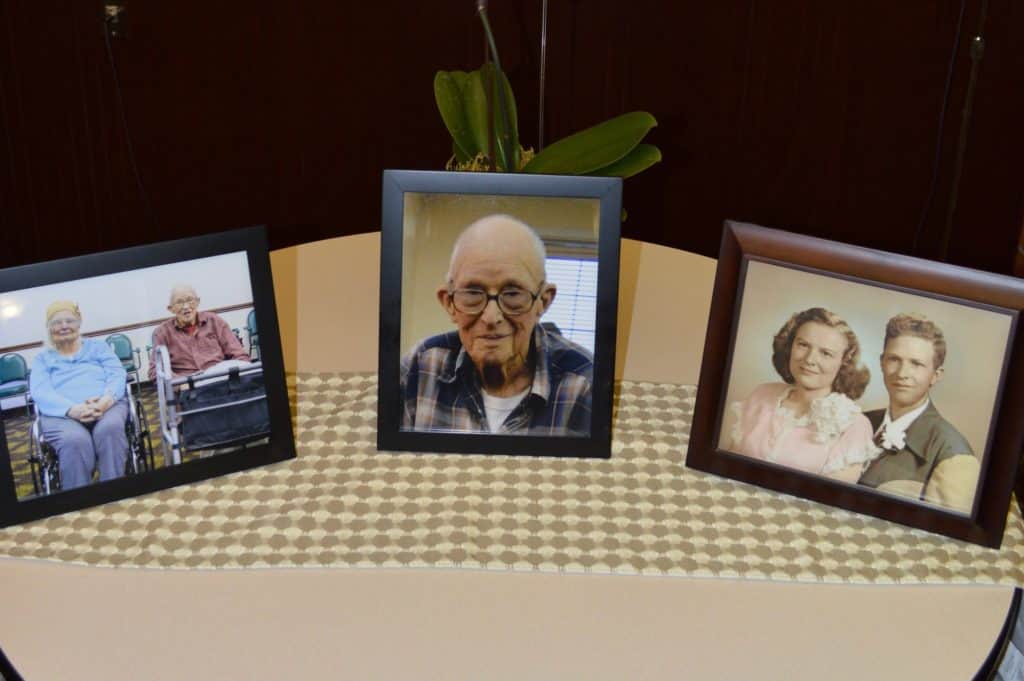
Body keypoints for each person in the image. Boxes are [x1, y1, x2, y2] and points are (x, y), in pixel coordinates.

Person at [400, 214, 592, 435]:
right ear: (449, 302)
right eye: (473, 292)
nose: (491, 317)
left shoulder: (585, 384)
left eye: (512, 294)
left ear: (543, 301)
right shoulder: (421, 366)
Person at [728, 307, 878, 479]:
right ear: (789, 346)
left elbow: (831, 499)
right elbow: (729, 465)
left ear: (843, 363)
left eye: (826, 353)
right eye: (803, 345)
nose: (809, 359)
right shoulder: (761, 395)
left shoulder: (854, 425)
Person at [857, 313, 979, 513]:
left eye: (916, 364)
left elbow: (942, 534)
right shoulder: (860, 421)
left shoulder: (953, 454)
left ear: (936, 375)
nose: (902, 373)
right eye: (894, 359)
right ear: (882, 362)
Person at [29, 301, 129, 490]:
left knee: (110, 429)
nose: (64, 326)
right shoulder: (42, 358)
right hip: (61, 415)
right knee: (74, 440)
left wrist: (105, 401)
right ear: (49, 328)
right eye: (57, 322)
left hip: (107, 405)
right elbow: (41, 391)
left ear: (79, 322)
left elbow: (117, 374)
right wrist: (72, 409)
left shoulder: (98, 347)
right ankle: (80, 500)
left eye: (69, 320)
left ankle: (114, 491)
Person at [148, 285, 251, 379]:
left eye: (190, 300)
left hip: (220, 379)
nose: (186, 307)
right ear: (171, 309)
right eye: (179, 302)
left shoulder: (214, 321)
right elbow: (155, 371)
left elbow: (239, 355)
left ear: (197, 302)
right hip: (188, 386)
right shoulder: (162, 333)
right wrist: (179, 385)